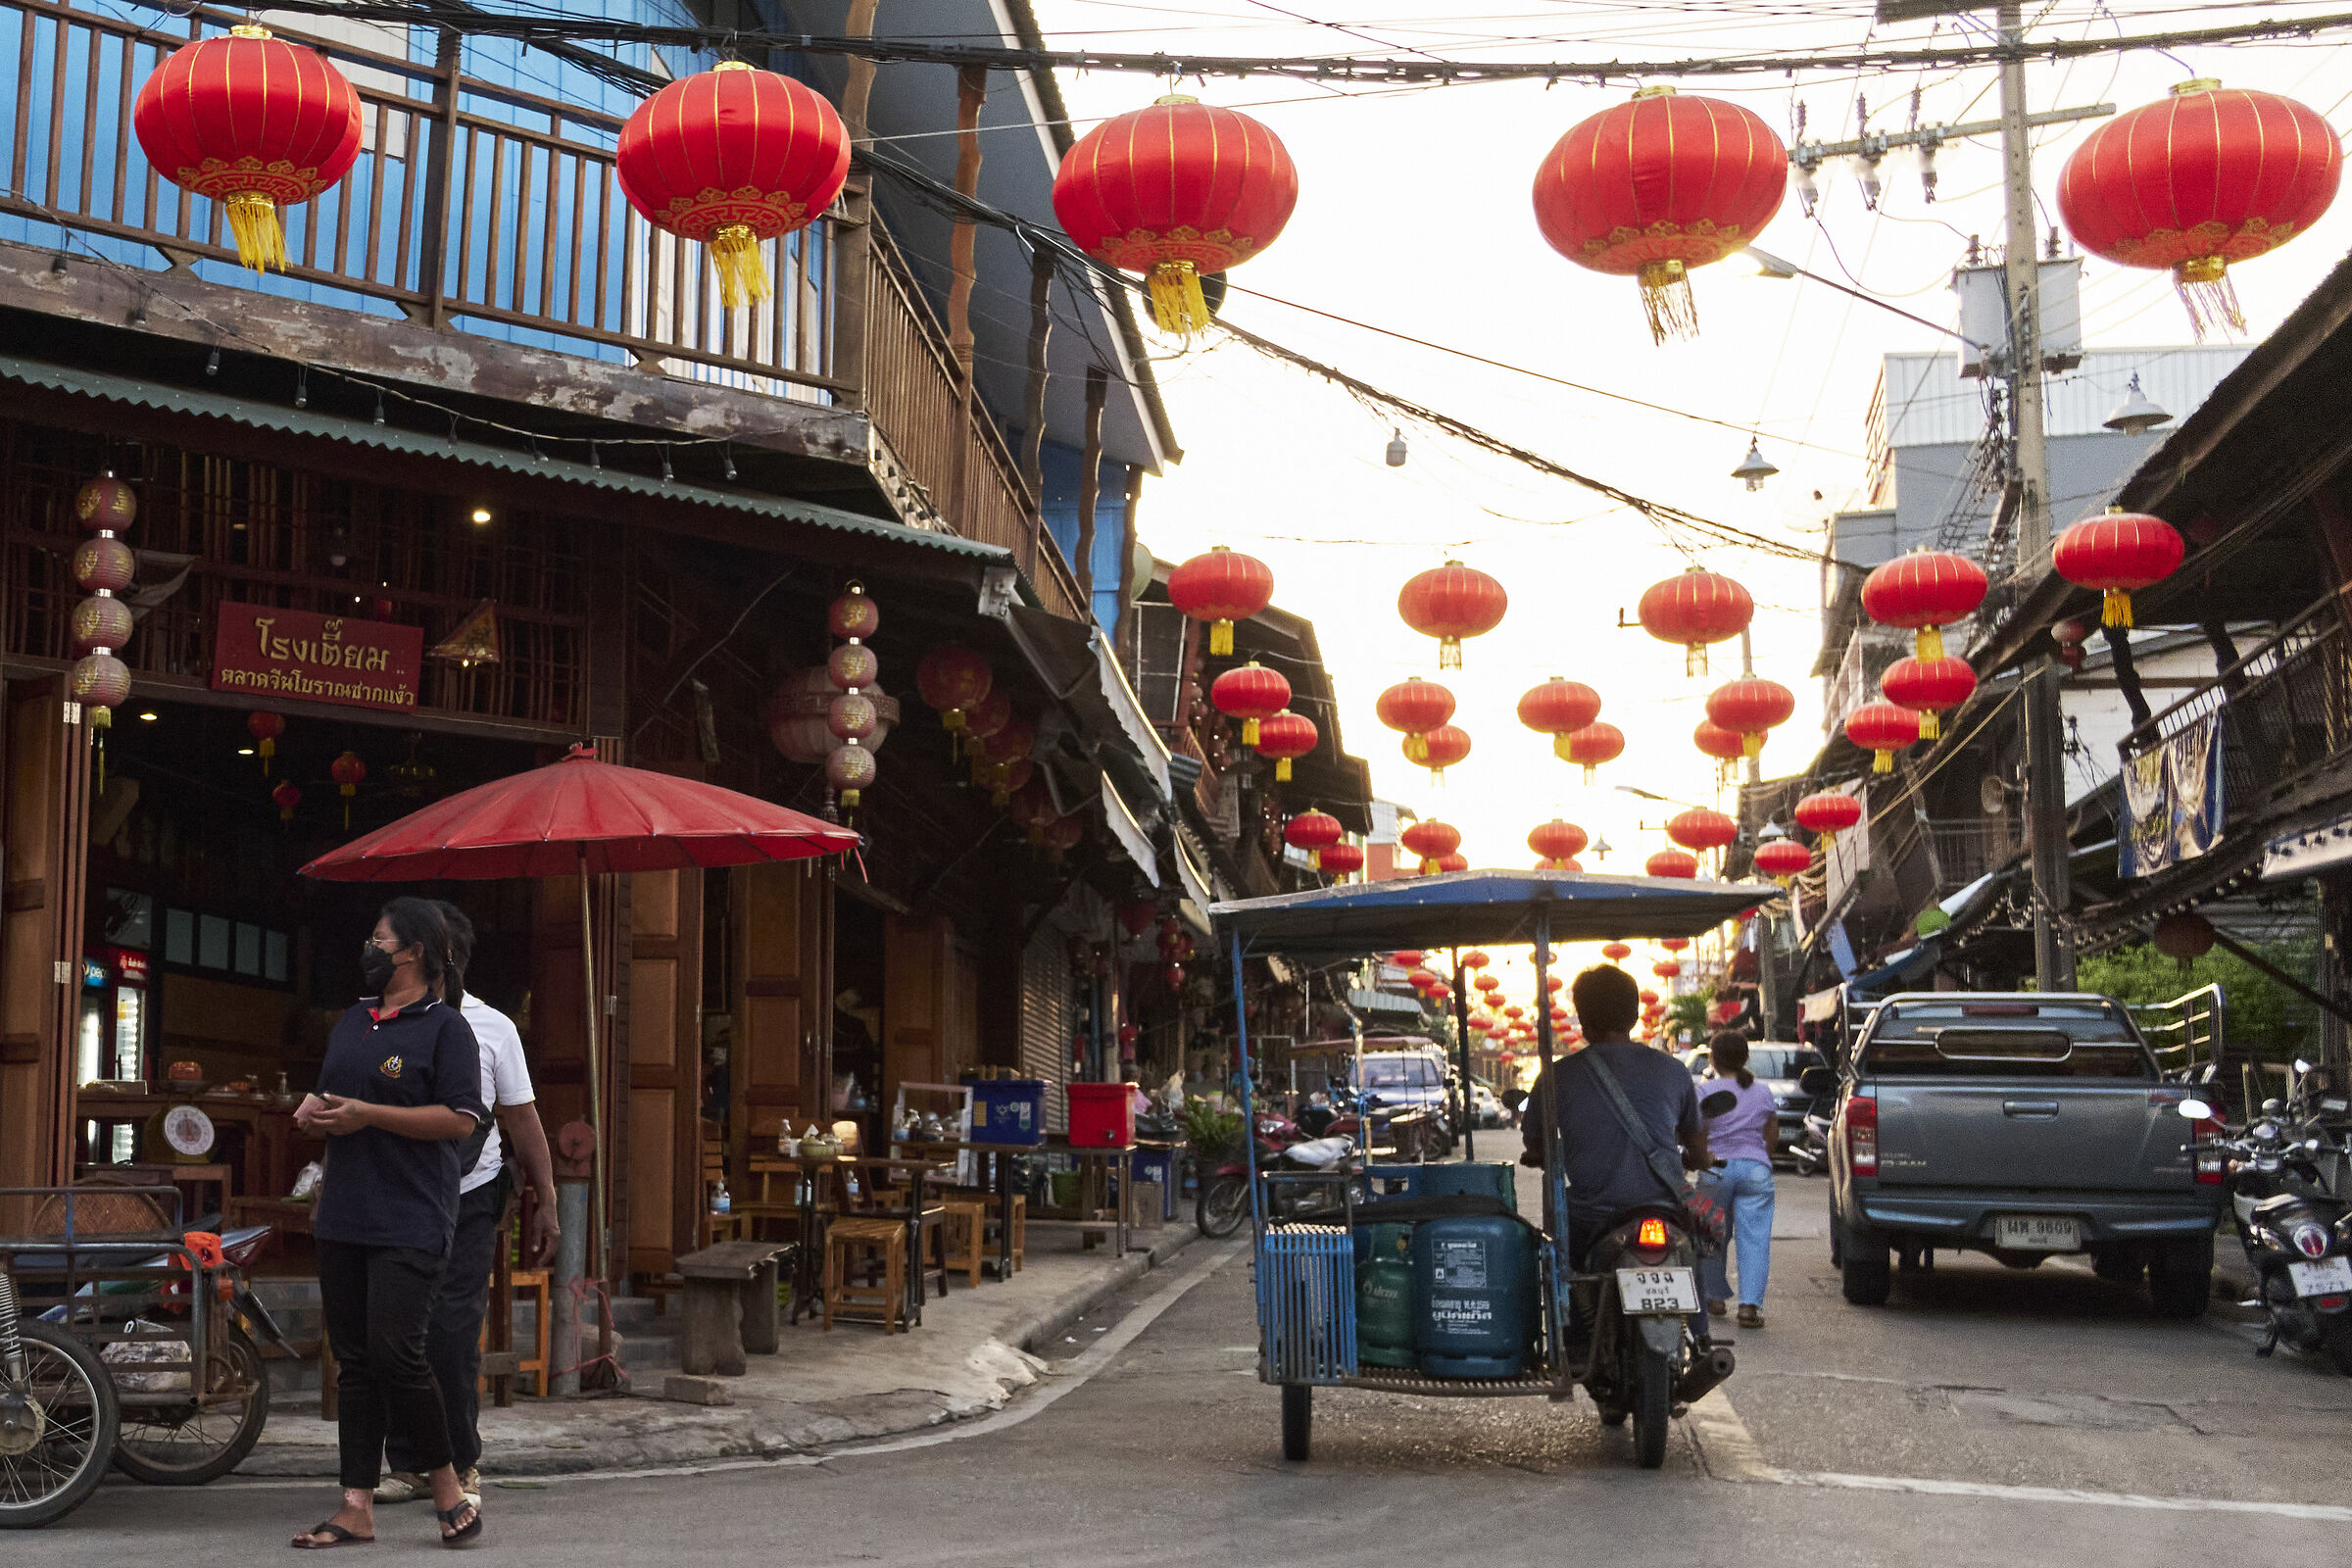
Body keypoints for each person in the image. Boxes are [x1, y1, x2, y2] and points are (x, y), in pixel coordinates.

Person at [293, 899, 486, 1549]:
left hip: (411, 1215)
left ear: (413, 953)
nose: (370, 948)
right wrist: (312, 1110)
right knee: (355, 1363)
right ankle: (355, 1507)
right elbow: (331, 1092)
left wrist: (369, 1115)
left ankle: (447, 1487)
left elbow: (462, 1119)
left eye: (380, 938)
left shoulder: (445, 1030)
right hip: (345, 1211)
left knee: (397, 1353)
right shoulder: (353, 1019)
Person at [377, 903, 558, 1510]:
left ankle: (458, 1460)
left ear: (433, 955)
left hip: (469, 1194)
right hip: (400, 1196)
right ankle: (408, 1462)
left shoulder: (493, 1027)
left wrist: (548, 1201)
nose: (383, 952)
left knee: (452, 1334)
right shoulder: (383, 1020)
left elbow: (522, 1116)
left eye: (396, 943)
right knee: (402, 1333)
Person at [1520, 965, 1711, 1277]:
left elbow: (1534, 1142)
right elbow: (1698, 1145)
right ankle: (1698, 1325)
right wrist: (1702, 1158)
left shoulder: (1558, 1076)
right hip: (1664, 1211)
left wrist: (1546, 1153)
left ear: (1583, 1020)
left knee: (1571, 1281)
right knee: (1691, 1257)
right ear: (1634, 1016)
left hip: (1591, 1217)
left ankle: (1576, 1323)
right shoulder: (1674, 1070)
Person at [1695, 1032, 1779, 1329]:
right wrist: (1761, 1158)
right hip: (1755, 1171)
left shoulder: (1704, 1092)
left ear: (1713, 1059)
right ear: (1745, 1058)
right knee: (1755, 1239)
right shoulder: (1762, 1092)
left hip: (1717, 1168)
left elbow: (1698, 1135)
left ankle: (1714, 1298)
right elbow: (1771, 1133)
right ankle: (1749, 1307)